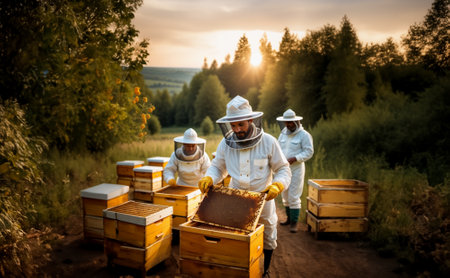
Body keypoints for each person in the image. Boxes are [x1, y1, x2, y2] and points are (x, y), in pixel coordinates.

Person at [198, 96, 291, 277]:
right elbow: (218, 167)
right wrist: (209, 177)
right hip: (236, 198)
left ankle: (266, 271)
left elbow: (283, 169)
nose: (237, 130)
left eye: (241, 124)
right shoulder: (226, 144)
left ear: (250, 120)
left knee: (268, 235)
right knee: (236, 236)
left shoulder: (269, 142)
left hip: (263, 197)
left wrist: (278, 185)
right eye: (233, 126)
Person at [276, 109, 314, 233]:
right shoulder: (282, 134)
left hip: (296, 169)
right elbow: (277, 149)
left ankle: (294, 223)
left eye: (291, 122)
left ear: (297, 121)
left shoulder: (304, 135)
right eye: (286, 122)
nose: (288, 125)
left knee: (294, 196)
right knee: (285, 195)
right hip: (283, 169)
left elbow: (309, 151)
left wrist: (296, 158)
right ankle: (288, 219)